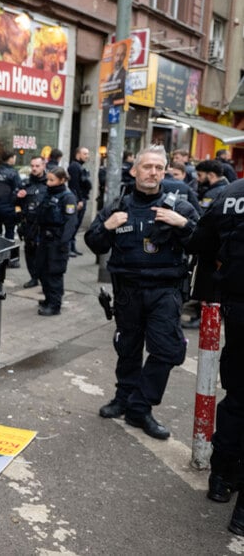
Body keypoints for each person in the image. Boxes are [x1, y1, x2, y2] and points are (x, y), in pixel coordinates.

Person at [85, 145, 199, 440]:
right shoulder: (117, 207)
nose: (153, 172)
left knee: (167, 351)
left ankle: (141, 406)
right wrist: (107, 227)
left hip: (165, 291)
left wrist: (183, 224)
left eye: (159, 168)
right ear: (134, 170)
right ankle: (123, 399)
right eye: (147, 167)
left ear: (165, 172)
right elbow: (94, 244)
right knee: (128, 349)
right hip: (128, 292)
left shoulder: (179, 207)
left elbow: (203, 244)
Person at [186, 177, 244, 534]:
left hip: (238, 311)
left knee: (237, 397)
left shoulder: (230, 195)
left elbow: (200, 244)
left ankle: (222, 477)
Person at [183, 160, 232, 329]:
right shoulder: (228, 188)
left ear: (210, 175)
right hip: (221, 247)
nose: (197, 178)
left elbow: (204, 219)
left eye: (200, 175)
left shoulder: (215, 193)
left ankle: (205, 316)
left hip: (212, 248)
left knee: (208, 284)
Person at [33, 166, 78, 316]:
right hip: (45, 239)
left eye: (52, 180)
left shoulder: (68, 197)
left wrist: (62, 243)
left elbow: (70, 223)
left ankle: (54, 305)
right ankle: (48, 298)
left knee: (54, 274)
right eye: (48, 179)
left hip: (57, 242)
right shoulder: (48, 193)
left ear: (62, 180)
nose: (48, 183)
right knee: (41, 270)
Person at [16, 156, 49, 289]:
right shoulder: (25, 184)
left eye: (37, 166)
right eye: (32, 166)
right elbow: (16, 204)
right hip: (28, 223)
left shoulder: (49, 183)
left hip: (42, 224)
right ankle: (34, 277)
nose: (34, 169)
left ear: (43, 166)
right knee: (29, 252)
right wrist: (18, 198)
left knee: (44, 254)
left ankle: (44, 278)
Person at [66, 146, 92, 256]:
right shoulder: (74, 167)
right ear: (78, 154)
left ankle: (72, 246)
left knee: (76, 224)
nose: (87, 156)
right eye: (85, 154)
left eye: (87, 154)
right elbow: (75, 185)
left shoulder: (79, 167)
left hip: (81, 198)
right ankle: (68, 247)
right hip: (78, 199)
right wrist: (79, 200)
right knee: (73, 223)